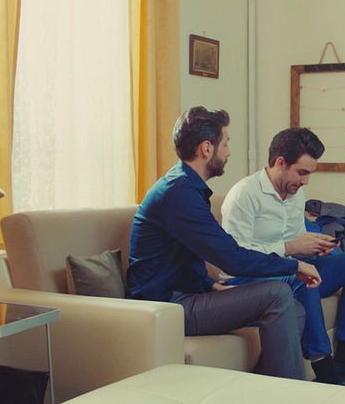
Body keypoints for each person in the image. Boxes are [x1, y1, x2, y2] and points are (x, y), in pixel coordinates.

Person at [127, 106, 322, 380]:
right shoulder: (179, 194)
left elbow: (184, 254)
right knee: (278, 293)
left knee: (295, 310)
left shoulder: (186, 187)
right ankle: (290, 394)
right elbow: (233, 258)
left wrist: (209, 284)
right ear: (207, 148)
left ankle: (261, 388)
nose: (229, 151)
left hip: (186, 296)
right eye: (226, 143)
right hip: (167, 308)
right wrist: (294, 265)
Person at [220, 127, 345, 384]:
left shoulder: (295, 193)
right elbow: (235, 257)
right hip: (250, 279)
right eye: (302, 172)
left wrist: (316, 247)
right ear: (280, 162)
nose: (306, 181)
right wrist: (290, 249)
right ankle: (324, 369)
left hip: (290, 269)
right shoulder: (244, 195)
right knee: (302, 276)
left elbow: (297, 241)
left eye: (309, 173)